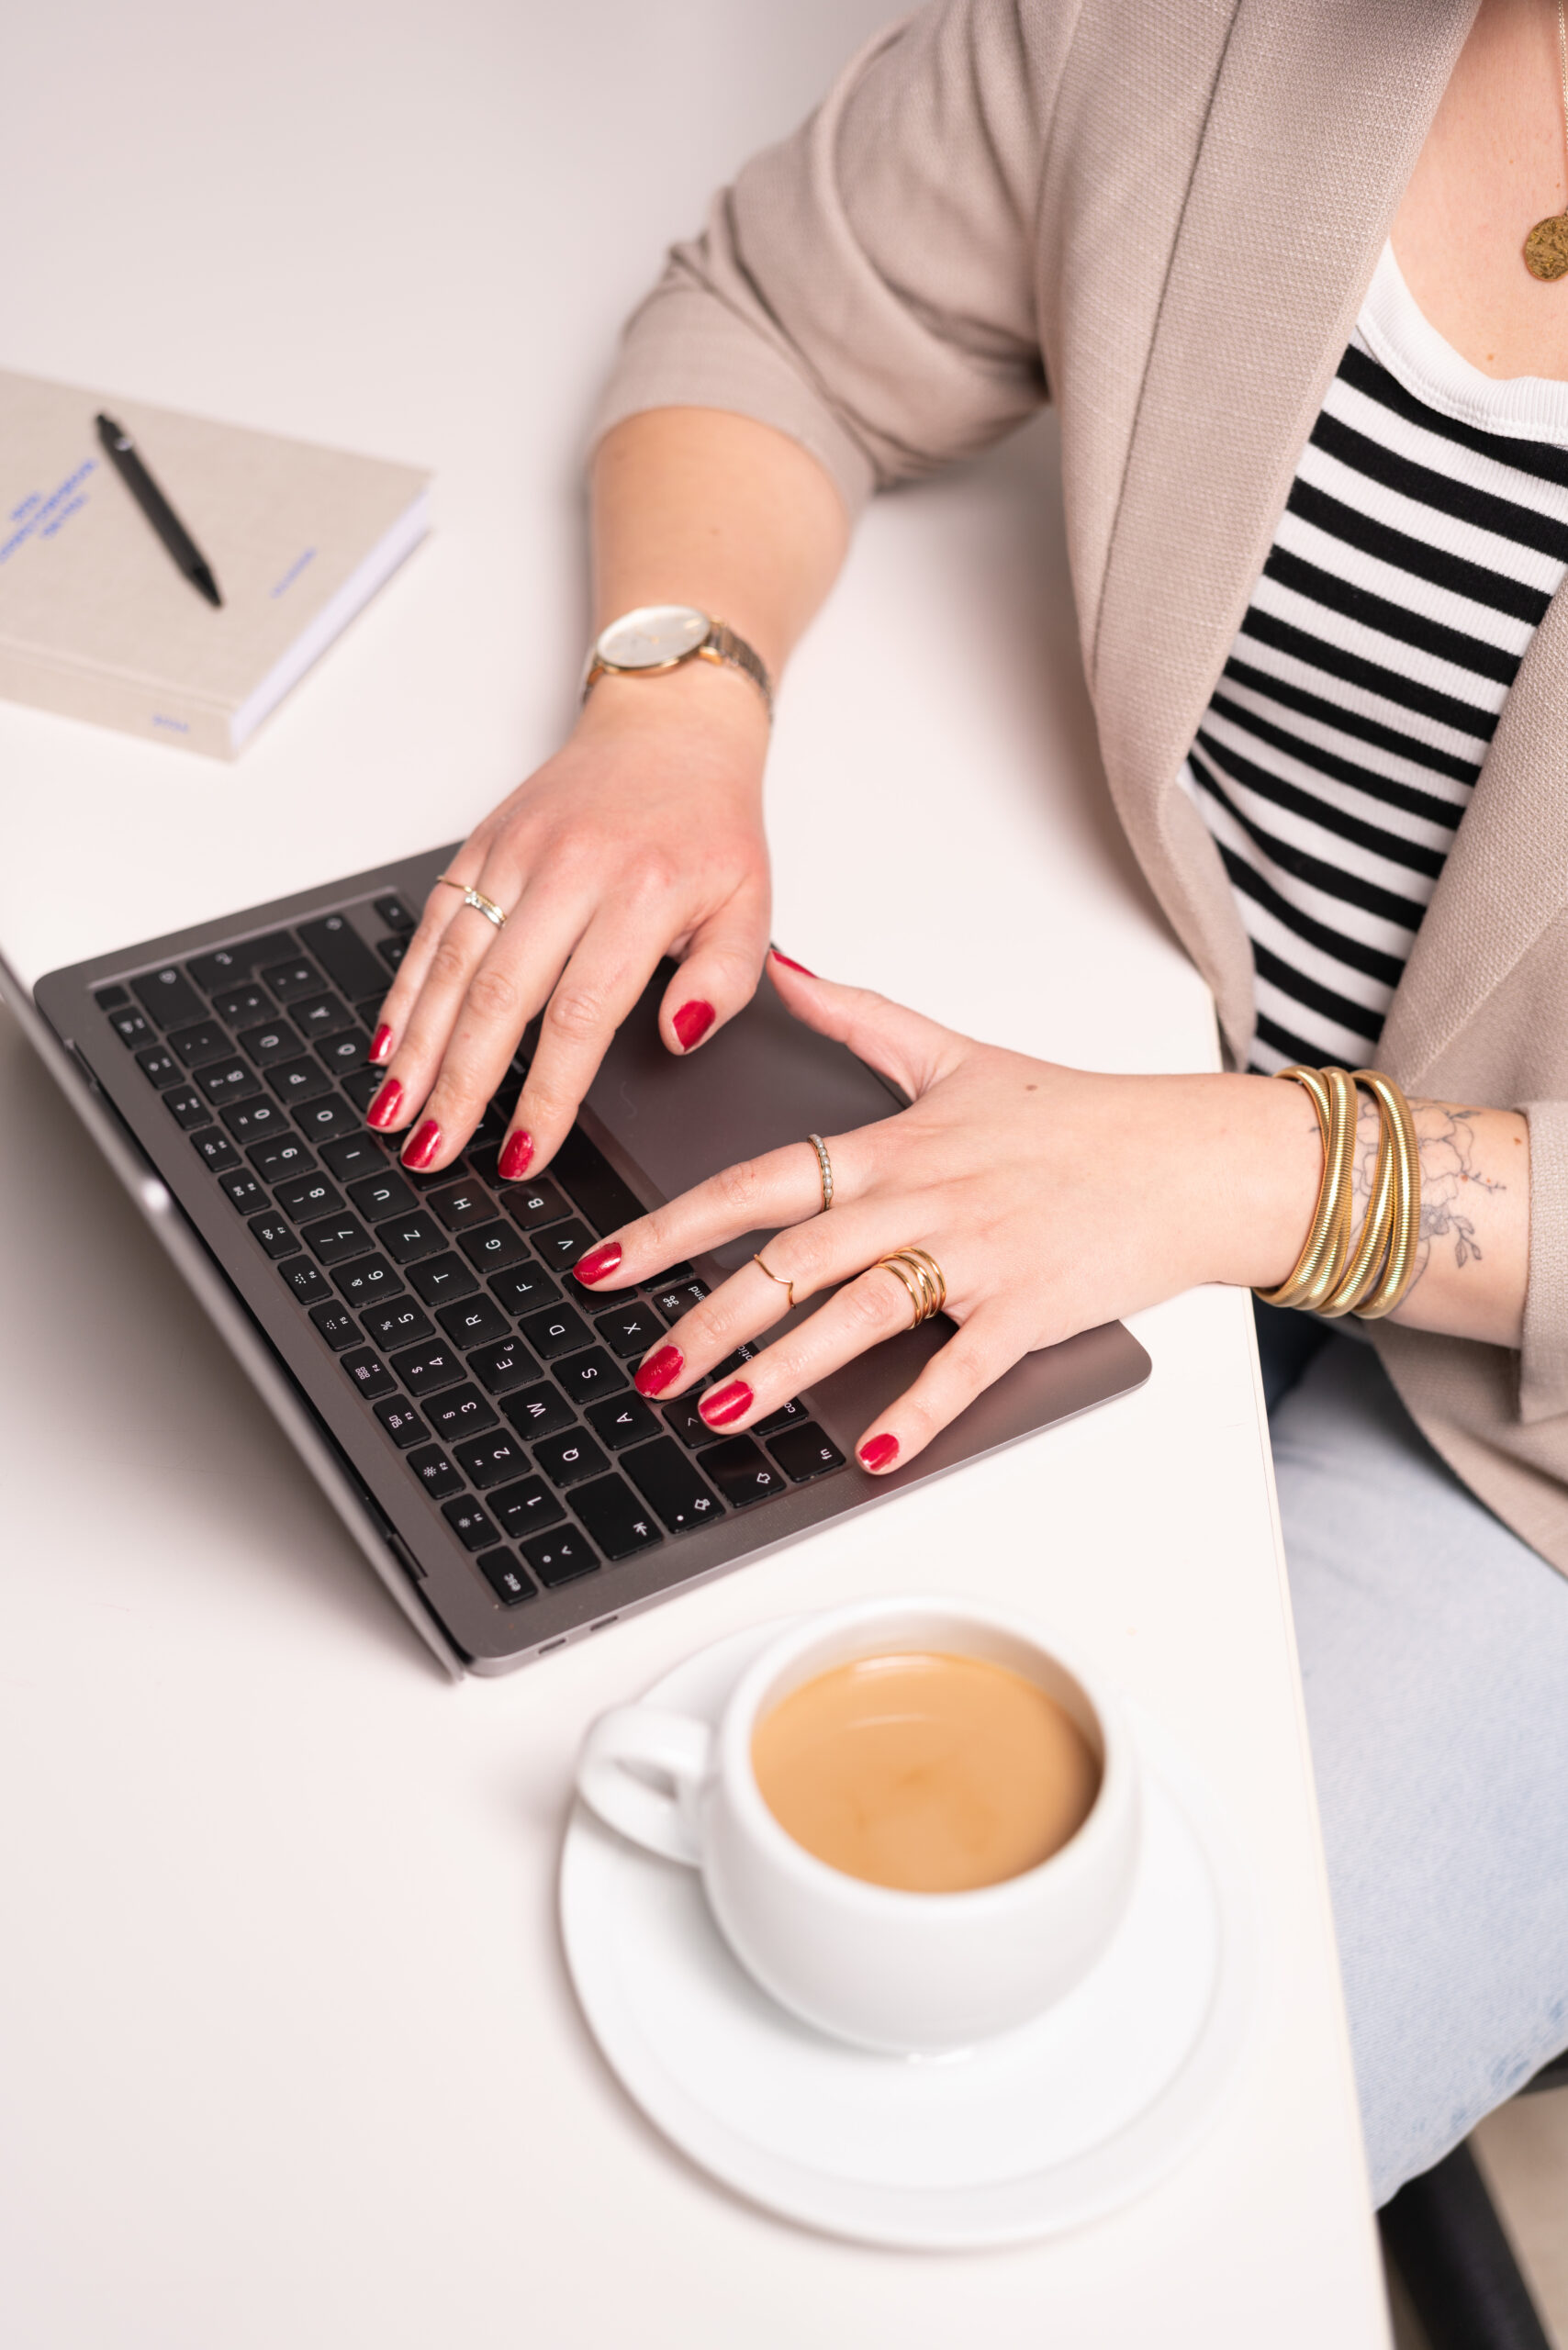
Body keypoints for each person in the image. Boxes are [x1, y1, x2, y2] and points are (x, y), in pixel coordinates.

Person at [365, 0, 1568, 2200]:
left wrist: (1268, 1174)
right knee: (514, 1797)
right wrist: (672, 702)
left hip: (1524, 1450)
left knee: (1030, 2153)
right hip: (1130, 1087)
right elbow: (783, 312)